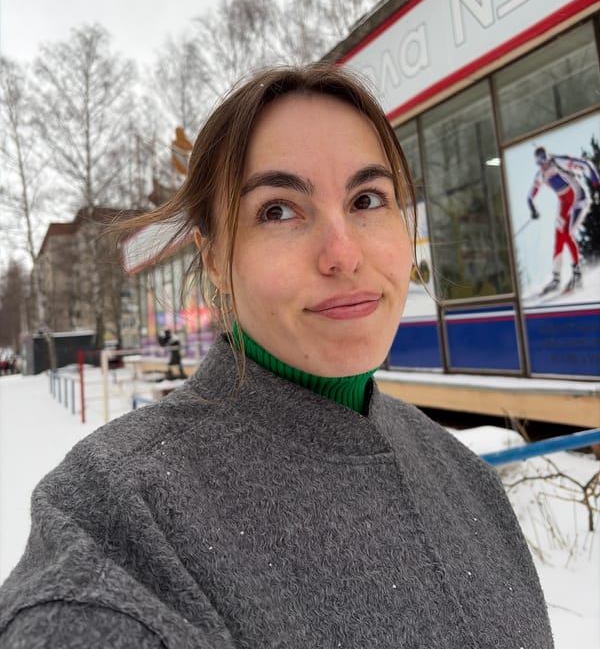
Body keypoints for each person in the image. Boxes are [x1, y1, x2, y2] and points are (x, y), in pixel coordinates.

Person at [0, 64, 553, 648]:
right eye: (278, 210)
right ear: (213, 259)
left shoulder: (464, 479)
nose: (343, 254)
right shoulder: (127, 524)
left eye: (368, 199)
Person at [527, 146, 599, 294]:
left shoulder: (559, 161)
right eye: (539, 164)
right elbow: (530, 196)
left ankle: (577, 275)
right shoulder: (540, 175)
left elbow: (586, 164)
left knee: (568, 234)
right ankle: (556, 278)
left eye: (544, 161)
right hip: (565, 204)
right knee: (559, 238)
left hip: (579, 199)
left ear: (548, 157)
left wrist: (596, 182)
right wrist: (533, 209)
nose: (543, 166)